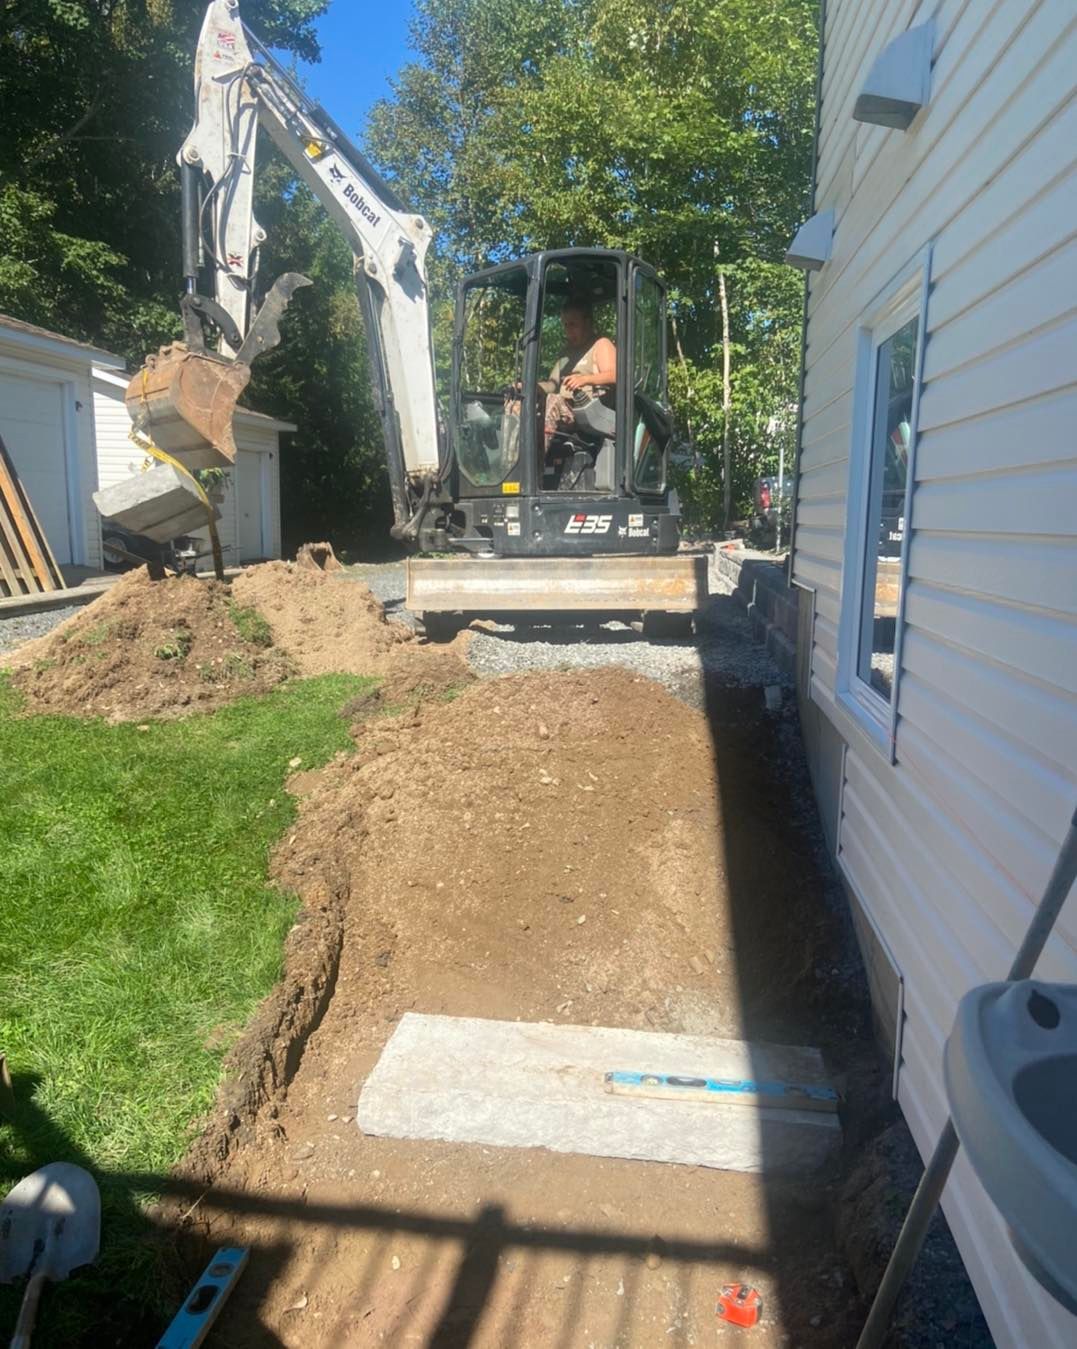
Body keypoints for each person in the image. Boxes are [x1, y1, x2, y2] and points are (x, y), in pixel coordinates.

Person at [542, 300, 617, 452]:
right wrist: (529, 387)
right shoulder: (566, 353)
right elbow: (551, 385)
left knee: (552, 401)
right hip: (564, 410)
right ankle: (512, 462)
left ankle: (536, 462)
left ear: (587, 323)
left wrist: (585, 379)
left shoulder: (601, 344)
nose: (568, 330)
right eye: (565, 325)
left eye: (573, 324)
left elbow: (615, 375)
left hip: (591, 412)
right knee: (518, 401)